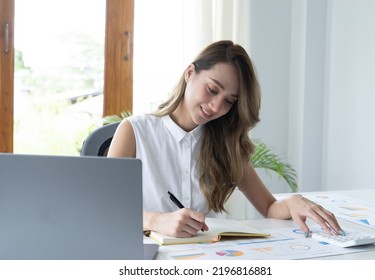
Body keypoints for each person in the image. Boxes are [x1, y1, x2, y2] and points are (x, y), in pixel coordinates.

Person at [108, 40, 344, 238]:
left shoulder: (226, 143)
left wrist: (292, 202)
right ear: (190, 73)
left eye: (229, 101)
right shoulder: (135, 131)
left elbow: (269, 207)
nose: (216, 106)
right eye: (212, 89)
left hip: (207, 257)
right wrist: (156, 221)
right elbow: (104, 210)